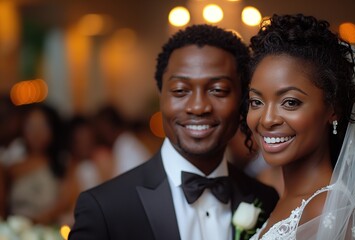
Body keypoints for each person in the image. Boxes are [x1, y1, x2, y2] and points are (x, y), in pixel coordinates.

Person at [69, 24, 279, 240]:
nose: (198, 107)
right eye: (180, 91)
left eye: (218, 90)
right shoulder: (105, 208)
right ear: (161, 97)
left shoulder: (265, 200)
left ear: (242, 100)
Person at [244, 14, 355, 239]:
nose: (267, 119)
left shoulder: (326, 210)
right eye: (256, 102)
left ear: (333, 109)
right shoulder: (290, 200)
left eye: (290, 102)